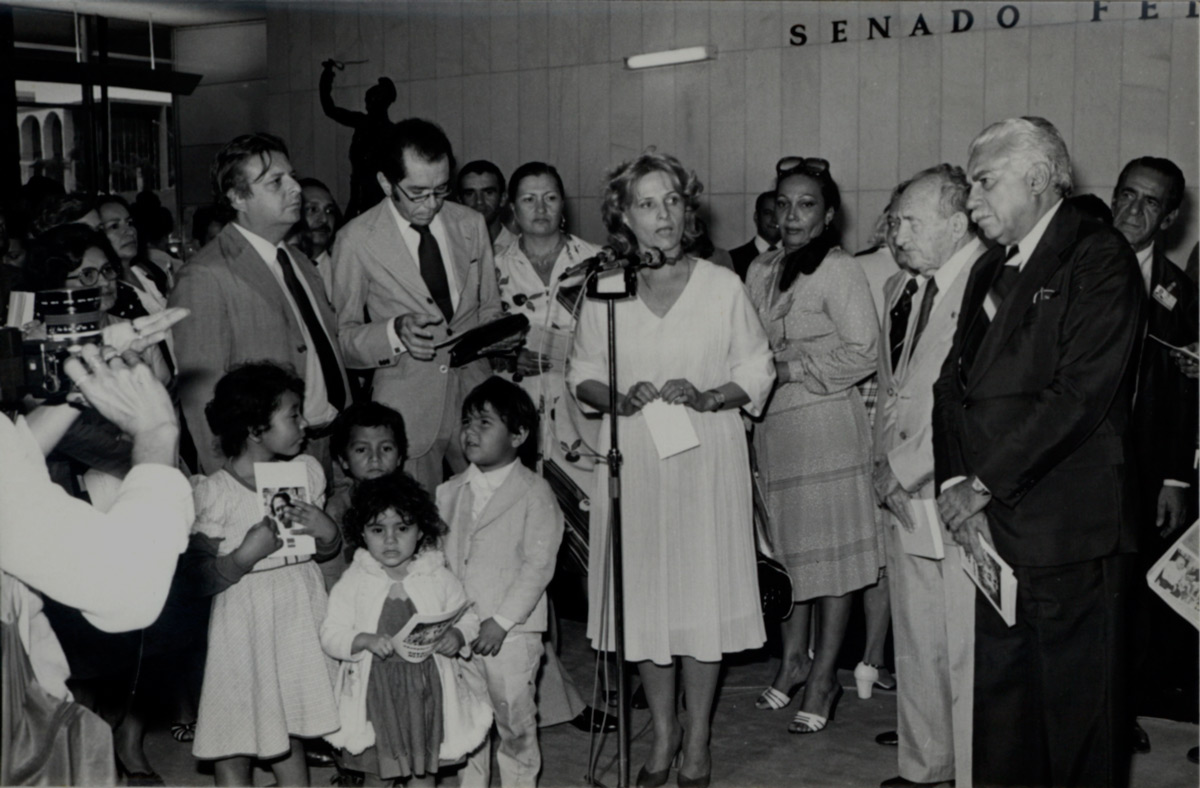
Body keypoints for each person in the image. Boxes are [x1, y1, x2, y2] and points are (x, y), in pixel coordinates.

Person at [931, 117, 1143, 788]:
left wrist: (982, 482)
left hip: (1065, 525)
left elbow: (1077, 393)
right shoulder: (990, 265)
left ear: (1039, 176)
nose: (971, 202)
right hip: (993, 526)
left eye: (984, 183)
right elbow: (951, 387)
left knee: (1078, 719)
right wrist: (954, 485)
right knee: (1006, 706)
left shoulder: (1097, 255)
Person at [568, 150, 775, 787]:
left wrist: (713, 394)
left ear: (689, 210)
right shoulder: (607, 289)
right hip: (636, 462)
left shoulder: (721, 285)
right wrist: (616, 395)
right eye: (647, 203)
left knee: (698, 601)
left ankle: (699, 739)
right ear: (623, 215)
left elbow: (757, 368)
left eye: (673, 201)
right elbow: (581, 374)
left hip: (703, 460)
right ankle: (661, 736)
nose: (663, 214)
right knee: (648, 603)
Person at [745, 158, 880, 735]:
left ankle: (825, 676)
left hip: (826, 428)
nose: (791, 214)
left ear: (828, 215)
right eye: (783, 203)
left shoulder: (840, 270)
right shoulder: (760, 267)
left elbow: (863, 353)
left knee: (832, 561)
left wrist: (788, 365)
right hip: (773, 431)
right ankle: (791, 659)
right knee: (789, 557)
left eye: (805, 204)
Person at [491, 160, 617, 734]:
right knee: (527, 556)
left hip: (580, 425)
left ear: (564, 204)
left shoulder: (597, 262)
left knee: (596, 552)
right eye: (527, 199)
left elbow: (613, 346)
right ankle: (551, 686)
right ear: (511, 209)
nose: (539, 208)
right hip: (515, 424)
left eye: (549, 197)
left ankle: (612, 676)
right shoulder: (490, 265)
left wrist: (548, 349)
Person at [872, 165, 987, 788]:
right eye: (894, 220)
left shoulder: (988, 284)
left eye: (912, 220)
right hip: (899, 486)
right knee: (916, 635)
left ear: (958, 221)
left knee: (963, 641)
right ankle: (926, 767)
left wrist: (908, 466)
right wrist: (881, 462)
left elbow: (972, 398)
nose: (898, 231)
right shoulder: (901, 288)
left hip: (950, 483)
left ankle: (967, 771)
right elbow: (895, 392)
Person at [188, 362, 343, 786]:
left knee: (288, 719)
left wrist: (328, 533)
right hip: (243, 620)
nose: (304, 423)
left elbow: (323, 549)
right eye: (293, 415)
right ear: (256, 429)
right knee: (234, 726)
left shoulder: (306, 473)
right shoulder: (213, 493)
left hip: (297, 613)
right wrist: (242, 556)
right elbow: (196, 578)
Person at [332, 118, 502, 493]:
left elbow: (490, 308)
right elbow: (343, 340)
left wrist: (499, 335)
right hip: (405, 410)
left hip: (476, 401)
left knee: (490, 519)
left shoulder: (471, 224)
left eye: (441, 190)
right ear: (385, 184)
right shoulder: (356, 239)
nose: (432, 204)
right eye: (418, 193)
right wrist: (393, 332)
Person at [170, 133, 351, 477]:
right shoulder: (206, 275)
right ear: (238, 197)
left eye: (292, 176)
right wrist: (232, 483)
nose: (295, 188)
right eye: (276, 182)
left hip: (328, 443)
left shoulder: (298, 260)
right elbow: (203, 400)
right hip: (265, 465)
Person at [1110, 156, 1199, 752]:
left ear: (1168, 217)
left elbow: (1185, 392)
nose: (1132, 212)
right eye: (1126, 196)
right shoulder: (1067, 265)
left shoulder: (1178, 291)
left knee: (1131, 593)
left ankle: (1120, 710)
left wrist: (1173, 479)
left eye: (1149, 204)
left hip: (1141, 470)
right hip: (1068, 466)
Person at [322, 471, 489, 788]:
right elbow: (331, 633)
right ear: (362, 533)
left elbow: (467, 616)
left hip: (425, 691)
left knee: (422, 773)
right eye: (377, 529)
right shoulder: (356, 581)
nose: (390, 540)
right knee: (378, 774)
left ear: (421, 530)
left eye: (402, 528)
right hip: (377, 693)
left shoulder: (436, 575)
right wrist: (362, 640)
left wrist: (457, 635)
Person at [437, 377, 564, 787]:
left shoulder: (534, 492)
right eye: (467, 421)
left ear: (519, 435)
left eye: (485, 423)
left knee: (514, 723)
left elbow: (538, 565)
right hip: (459, 631)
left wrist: (502, 620)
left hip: (509, 634)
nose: (470, 432)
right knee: (469, 723)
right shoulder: (449, 491)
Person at [321, 401, 409, 589]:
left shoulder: (412, 502)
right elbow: (331, 572)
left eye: (386, 448)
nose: (375, 458)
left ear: (400, 456)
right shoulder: (337, 509)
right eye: (362, 450)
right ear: (344, 460)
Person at [320, 61, 396, 219]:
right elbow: (329, 109)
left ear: (383, 103)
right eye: (367, 101)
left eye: (371, 100)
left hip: (378, 198)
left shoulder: (392, 132)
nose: (368, 105)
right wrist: (327, 75)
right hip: (358, 195)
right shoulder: (362, 122)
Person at [289, 178, 343, 296]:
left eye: (329, 211)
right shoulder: (283, 266)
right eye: (313, 209)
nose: (324, 219)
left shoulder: (344, 270)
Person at [458, 159, 517, 257]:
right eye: (470, 194)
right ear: (459, 201)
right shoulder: (451, 248)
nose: (479, 201)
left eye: (488, 192)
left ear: (503, 198)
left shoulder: (519, 248)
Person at [729, 190, 781, 280]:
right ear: (756, 217)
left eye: (779, 213)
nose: (774, 219)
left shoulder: (798, 257)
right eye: (768, 213)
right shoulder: (733, 259)